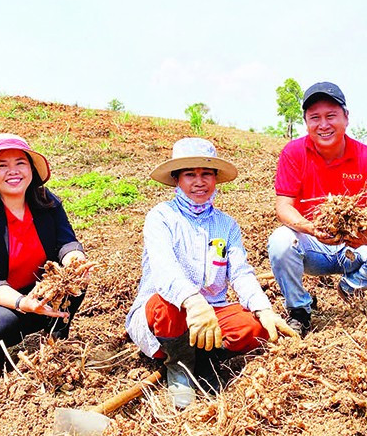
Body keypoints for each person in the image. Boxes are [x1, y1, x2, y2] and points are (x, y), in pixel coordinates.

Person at [125, 137, 296, 408]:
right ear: (177, 180)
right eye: (190, 174)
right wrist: (193, 301)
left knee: (253, 327)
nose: (199, 181)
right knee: (165, 306)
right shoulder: (161, 217)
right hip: (172, 314)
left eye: (206, 174)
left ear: (216, 179)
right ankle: (179, 366)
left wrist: (263, 309)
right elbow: (164, 270)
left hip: (212, 315)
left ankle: (203, 360)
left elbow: (240, 273)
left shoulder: (226, 225)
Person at [267, 81, 367, 337]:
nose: (323, 125)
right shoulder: (294, 153)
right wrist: (311, 228)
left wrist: (362, 238)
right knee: (280, 242)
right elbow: (283, 207)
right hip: (313, 245)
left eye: (331, 116)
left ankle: (351, 286)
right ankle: (299, 309)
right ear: (306, 122)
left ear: (346, 117)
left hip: (356, 247)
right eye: (315, 118)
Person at [0, 133, 87, 374]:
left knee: (74, 286)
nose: (13, 171)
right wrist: (23, 303)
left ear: (31, 170)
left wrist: (75, 261)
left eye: (20, 163)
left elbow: (66, 242)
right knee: (3, 323)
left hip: (33, 289)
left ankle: (55, 343)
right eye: (2, 165)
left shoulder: (47, 202)